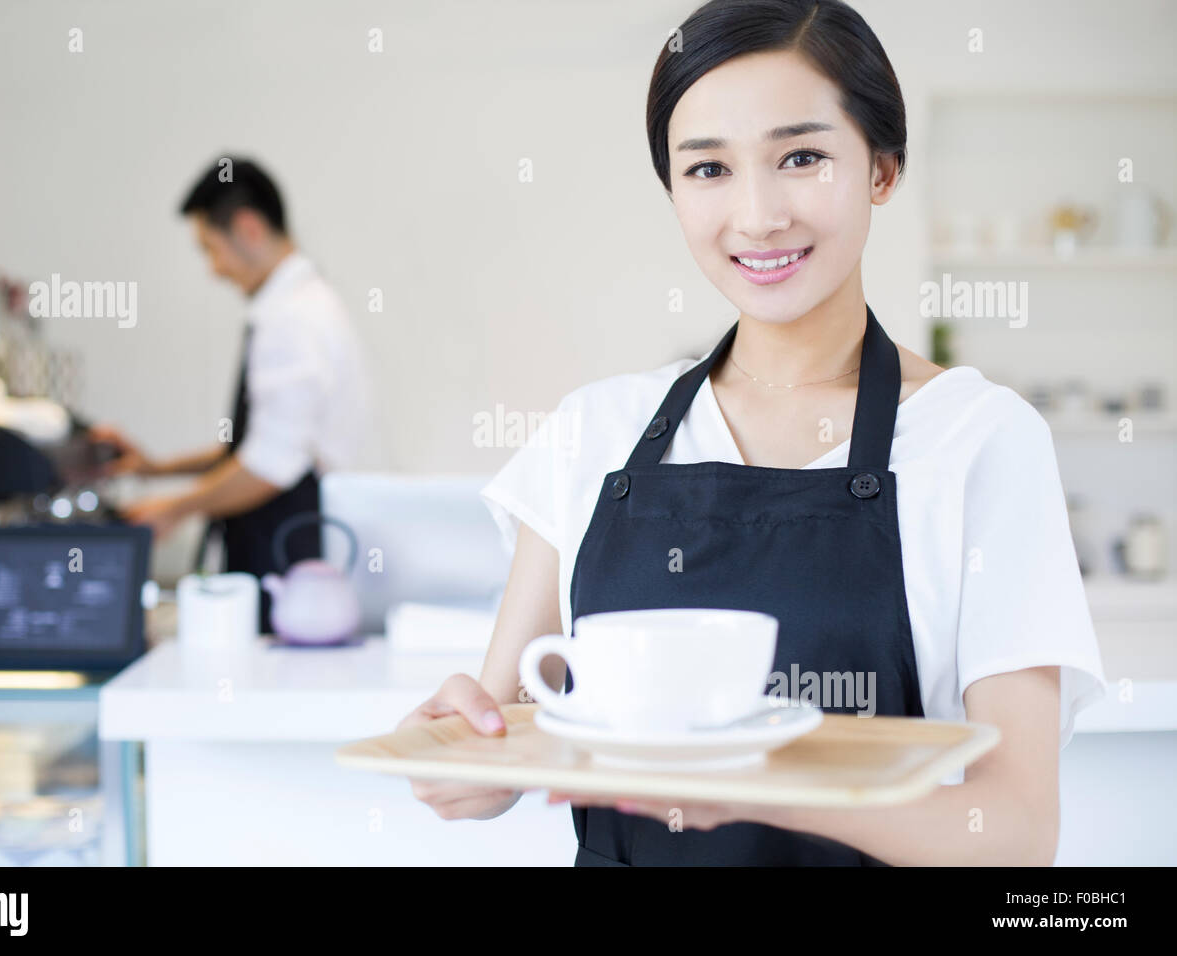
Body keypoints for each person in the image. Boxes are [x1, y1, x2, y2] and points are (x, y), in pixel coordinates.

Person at [399, 0, 1106, 866]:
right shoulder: (595, 429)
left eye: (801, 157)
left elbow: (1016, 832)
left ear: (883, 168)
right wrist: (454, 752)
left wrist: (765, 791)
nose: (758, 215)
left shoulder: (981, 439)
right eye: (708, 170)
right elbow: (497, 748)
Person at [91, 158, 377, 634]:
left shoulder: (293, 317)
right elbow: (259, 447)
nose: (213, 270)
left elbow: (271, 465)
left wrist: (174, 508)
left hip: (294, 565)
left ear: (247, 228)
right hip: (293, 556)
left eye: (210, 248)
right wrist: (155, 469)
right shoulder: (299, 306)